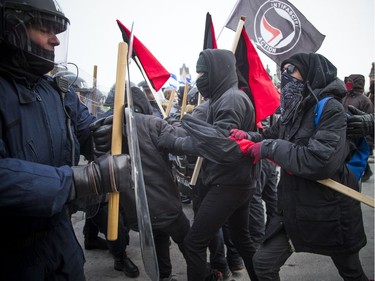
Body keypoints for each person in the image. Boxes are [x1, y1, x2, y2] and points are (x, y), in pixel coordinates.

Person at [0, 0, 132, 280]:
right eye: (44, 28)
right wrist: (79, 180)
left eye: (58, 31)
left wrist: (103, 133)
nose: (55, 40)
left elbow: (86, 127)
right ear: (11, 27)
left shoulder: (57, 91)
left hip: (61, 244)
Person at [233, 52, 369, 280]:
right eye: (281, 72)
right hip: (294, 207)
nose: (285, 77)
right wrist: (247, 136)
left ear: (309, 74)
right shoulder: (294, 109)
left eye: (290, 70)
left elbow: (320, 162)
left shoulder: (331, 109)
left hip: (331, 209)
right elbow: (270, 134)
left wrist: (270, 147)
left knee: (351, 272)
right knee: (263, 264)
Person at [157, 48, 260, 281]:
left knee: (194, 243)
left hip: (229, 184)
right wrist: (171, 127)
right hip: (238, 182)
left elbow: (220, 145)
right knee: (242, 240)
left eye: (203, 74)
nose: (199, 79)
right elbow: (198, 123)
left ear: (218, 72)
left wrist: (176, 143)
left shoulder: (232, 99)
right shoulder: (220, 98)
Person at [95, 86, 191, 281]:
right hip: (166, 205)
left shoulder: (108, 130)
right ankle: (203, 274)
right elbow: (182, 143)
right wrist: (173, 124)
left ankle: (164, 277)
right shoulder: (152, 123)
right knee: (189, 245)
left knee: (158, 240)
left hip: (139, 211)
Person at [342, 74, 374, 181]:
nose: (348, 84)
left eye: (350, 81)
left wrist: (369, 142)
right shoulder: (344, 97)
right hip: (347, 134)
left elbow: (369, 119)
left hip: (361, 137)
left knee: (358, 157)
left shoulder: (365, 100)